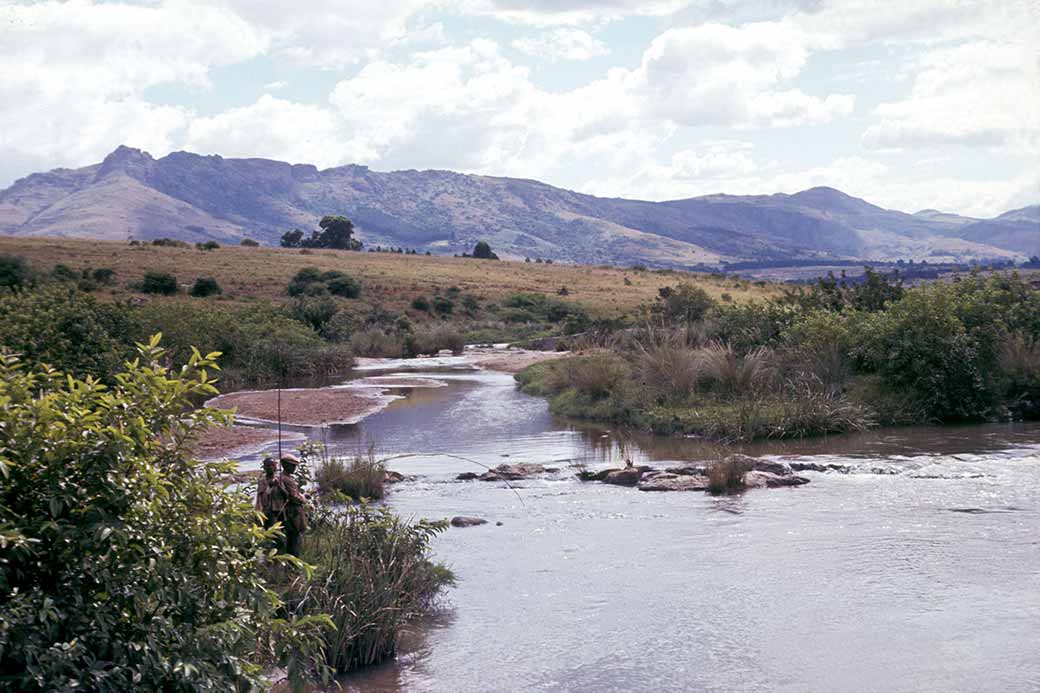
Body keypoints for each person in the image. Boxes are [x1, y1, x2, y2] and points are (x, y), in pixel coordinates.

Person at [272, 454, 308, 557]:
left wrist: (302, 495)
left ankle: (289, 564)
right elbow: (294, 498)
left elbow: (291, 494)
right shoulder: (287, 480)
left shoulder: (280, 478)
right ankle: (293, 566)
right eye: (292, 465)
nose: (294, 468)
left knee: (291, 539)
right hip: (293, 514)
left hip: (287, 513)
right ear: (285, 465)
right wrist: (303, 498)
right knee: (294, 540)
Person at [254, 457, 278, 528]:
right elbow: (261, 498)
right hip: (269, 511)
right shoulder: (262, 482)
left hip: (280, 510)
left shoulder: (280, 479)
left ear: (276, 467)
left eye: (273, 465)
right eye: (268, 465)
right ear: (264, 467)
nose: (270, 467)